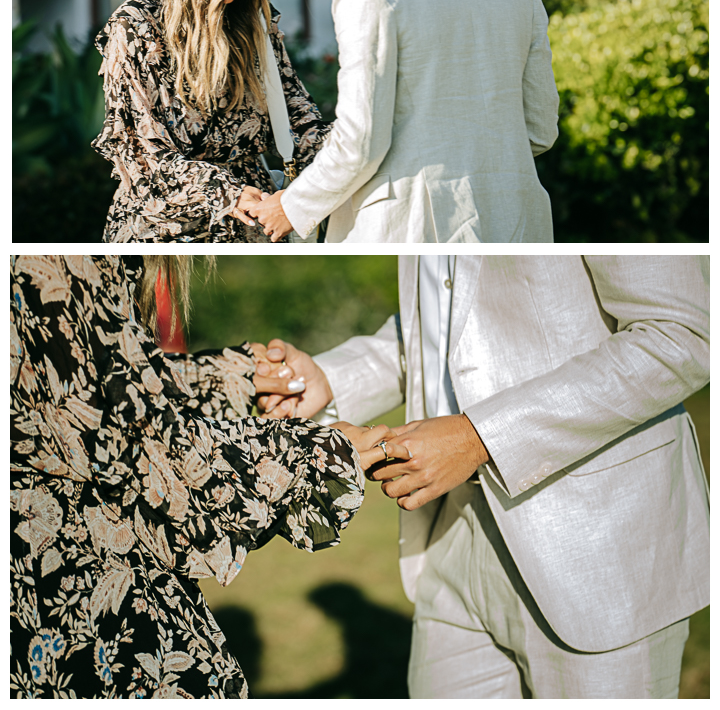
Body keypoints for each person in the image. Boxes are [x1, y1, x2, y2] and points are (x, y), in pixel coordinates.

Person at [254, 255, 710, 698]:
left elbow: (682, 334)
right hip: (448, 536)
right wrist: (334, 378)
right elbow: (445, 322)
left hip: (598, 540)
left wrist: (479, 438)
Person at [10, 255, 406, 698]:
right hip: (72, 583)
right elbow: (136, 449)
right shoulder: (48, 260)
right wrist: (313, 452)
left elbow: (100, 378)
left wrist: (234, 376)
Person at [249, 0, 559, 243]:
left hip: (414, 229)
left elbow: (360, 141)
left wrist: (291, 206)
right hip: (517, 221)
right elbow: (539, 130)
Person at [93, 0, 330, 242]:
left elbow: (299, 122)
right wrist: (227, 193)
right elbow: (142, 157)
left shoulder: (255, 19)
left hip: (256, 229)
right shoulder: (137, 26)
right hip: (167, 240)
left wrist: (357, 145)